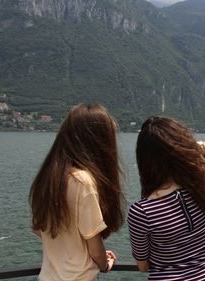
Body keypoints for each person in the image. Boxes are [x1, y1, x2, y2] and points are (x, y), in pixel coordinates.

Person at [29, 104, 124, 281]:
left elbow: (38, 229)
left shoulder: (49, 177)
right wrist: (104, 263)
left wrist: (73, 250)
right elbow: (95, 250)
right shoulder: (82, 181)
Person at [128, 115, 205, 280]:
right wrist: (191, 149)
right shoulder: (200, 189)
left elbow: (143, 266)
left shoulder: (142, 212)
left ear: (144, 159)